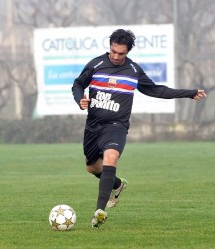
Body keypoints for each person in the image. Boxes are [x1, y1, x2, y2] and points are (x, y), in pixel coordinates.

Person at [72, 29, 206, 229]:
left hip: (117, 126)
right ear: (110, 47)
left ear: (128, 52)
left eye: (121, 53)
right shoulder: (96, 64)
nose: (116, 57)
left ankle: (99, 211)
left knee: (111, 158)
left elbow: (156, 90)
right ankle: (117, 185)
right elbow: (77, 84)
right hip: (93, 127)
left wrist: (188, 93)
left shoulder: (133, 70)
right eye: (113, 52)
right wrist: (79, 99)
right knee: (92, 168)